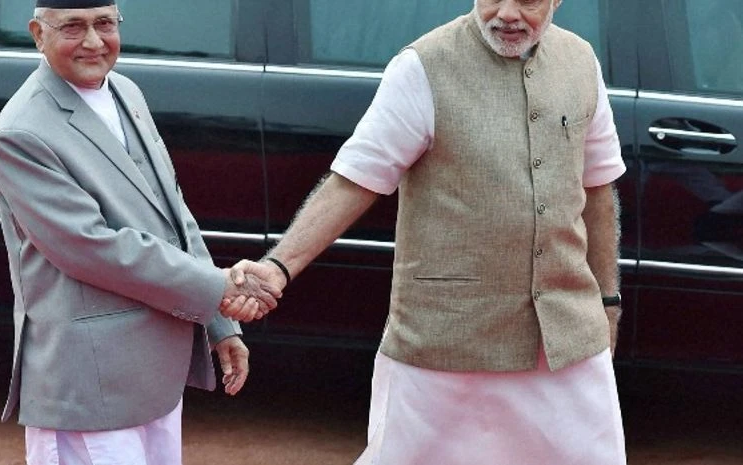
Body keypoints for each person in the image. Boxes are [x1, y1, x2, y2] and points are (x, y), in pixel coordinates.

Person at [224, 0, 627, 463]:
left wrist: (607, 303)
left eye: (528, 0)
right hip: (445, 340)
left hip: (567, 340)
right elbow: (354, 180)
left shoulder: (580, 61)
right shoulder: (423, 66)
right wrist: (279, 266)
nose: (507, 13)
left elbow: (597, 190)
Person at [0, 1, 280, 464]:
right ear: (38, 34)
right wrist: (218, 288)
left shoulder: (125, 91)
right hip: (89, 382)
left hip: (152, 372)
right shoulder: (21, 132)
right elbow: (92, 248)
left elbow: (173, 213)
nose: (93, 41)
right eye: (73, 27)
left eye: (104, 24)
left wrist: (221, 322)